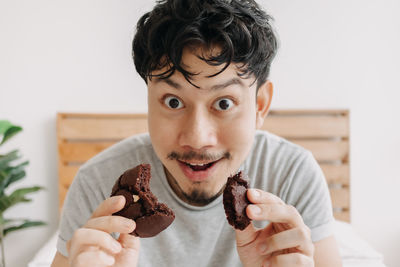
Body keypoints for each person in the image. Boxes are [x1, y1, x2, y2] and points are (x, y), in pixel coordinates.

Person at [51, 0, 342, 266]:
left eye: (224, 103)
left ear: (260, 106)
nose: (197, 137)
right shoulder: (99, 183)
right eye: (173, 102)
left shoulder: (293, 174)